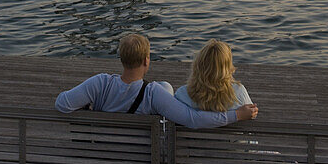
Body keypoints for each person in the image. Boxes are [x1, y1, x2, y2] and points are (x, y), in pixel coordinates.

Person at [55, 33, 258, 129]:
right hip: (137, 159)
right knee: (166, 87)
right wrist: (237, 115)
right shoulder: (154, 94)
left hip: (100, 153)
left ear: (121, 59)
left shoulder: (99, 83)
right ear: (146, 60)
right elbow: (193, 119)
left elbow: (62, 103)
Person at [175, 39, 252, 112]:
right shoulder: (239, 93)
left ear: (198, 65)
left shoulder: (182, 94)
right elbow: (251, 113)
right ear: (228, 67)